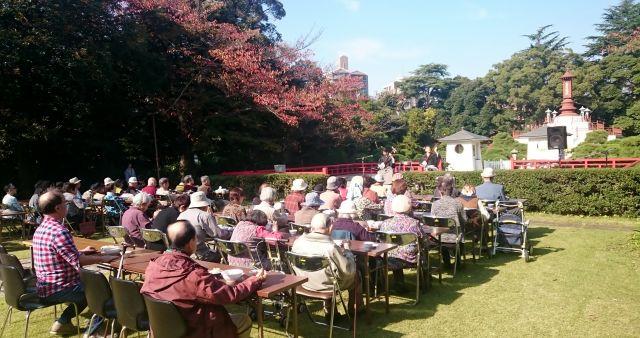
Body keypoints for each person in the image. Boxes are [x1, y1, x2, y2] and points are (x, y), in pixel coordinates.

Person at [140, 221, 266, 338]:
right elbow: (229, 295)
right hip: (195, 329)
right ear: (190, 242)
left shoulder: (153, 266)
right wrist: (255, 280)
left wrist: (219, 283)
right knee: (243, 320)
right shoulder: (194, 275)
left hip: (162, 328)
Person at [32, 191, 118, 335]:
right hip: (61, 288)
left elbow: (60, 254)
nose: (67, 206)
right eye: (65, 203)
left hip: (45, 286)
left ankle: (62, 323)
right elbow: (78, 261)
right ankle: (96, 331)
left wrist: (82, 251)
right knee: (102, 291)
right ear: (58, 208)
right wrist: (104, 258)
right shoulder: (59, 231)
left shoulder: (40, 228)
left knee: (91, 288)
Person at [291, 213, 361, 317]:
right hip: (326, 285)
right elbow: (348, 271)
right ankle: (354, 311)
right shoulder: (330, 248)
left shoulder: (298, 242)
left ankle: (331, 312)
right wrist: (347, 251)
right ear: (330, 226)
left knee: (329, 274)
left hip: (304, 283)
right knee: (356, 275)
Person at [378, 195, 424, 289]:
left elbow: (381, 240)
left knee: (396, 250)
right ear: (409, 208)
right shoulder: (414, 223)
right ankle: (425, 283)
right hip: (410, 259)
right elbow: (423, 240)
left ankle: (399, 284)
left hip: (388, 258)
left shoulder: (385, 223)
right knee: (423, 251)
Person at [177, 191, 231, 262]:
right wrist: (230, 231)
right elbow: (218, 235)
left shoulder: (181, 215)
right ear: (205, 205)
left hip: (184, 254)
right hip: (201, 255)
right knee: (223, 253)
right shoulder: (204, 215)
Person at [432, 176, 467, 267]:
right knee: (460, 230)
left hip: (439, 238)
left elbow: (433, 221)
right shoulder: (458, 204)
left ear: (440, 191)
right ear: (452, 191)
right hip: (455, 236)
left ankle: (447, 262)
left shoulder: (434, 205)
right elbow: (464, 220)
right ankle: (458, 261)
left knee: (445, 234)